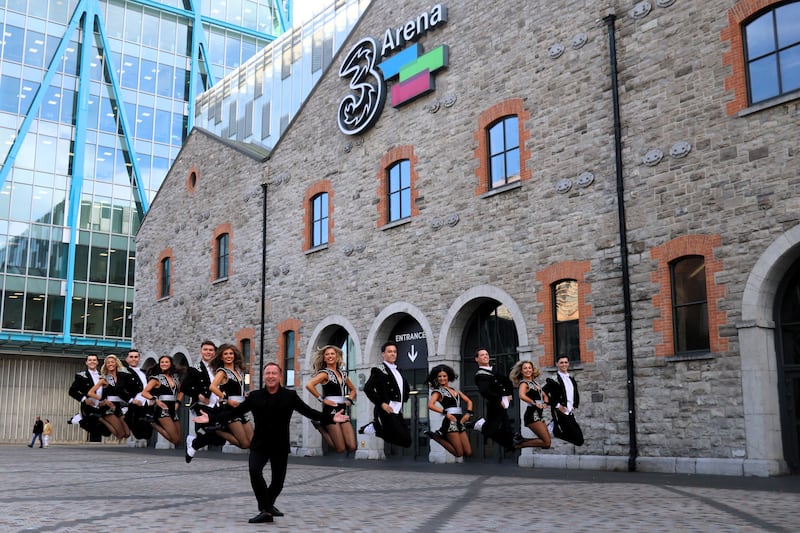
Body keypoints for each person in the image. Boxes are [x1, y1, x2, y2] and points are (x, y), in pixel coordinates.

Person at [195, 362, 349, 524]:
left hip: (280, 445)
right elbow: (235, 412)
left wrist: (331, 418)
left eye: (274, 373)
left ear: (280, 376)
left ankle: (267, 508)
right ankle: (266, 508)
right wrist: (211, 418)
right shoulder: (255, 397)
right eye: (267, 373)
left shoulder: (290, 396)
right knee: (254, 471)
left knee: (278, 482)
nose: (270, 376)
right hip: (259, 443)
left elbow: (309, 412)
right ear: (264, 376)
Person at [305, 345, 357, 454]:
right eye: (327, 354)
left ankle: (321, 426)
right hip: (330, 411)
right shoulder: (324, 373)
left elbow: (353, 390)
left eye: (332, 354)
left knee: (352, 446)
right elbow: (309, 385)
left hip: (342, 410)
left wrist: (350, 400)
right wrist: (322, 399)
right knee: (340, 449)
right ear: (324, 358)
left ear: (337, 356)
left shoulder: (343, 374)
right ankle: (321, 428)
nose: (330, 356)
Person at [359, 340, 412, 448]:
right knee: (402, 439)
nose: (393, 354)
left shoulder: (399, 370)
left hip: (397, 410)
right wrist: (382, 404)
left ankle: (376, 428)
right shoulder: (379, 370)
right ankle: (376, 428)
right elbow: (367, 388)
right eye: (389, 352)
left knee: (407, 441)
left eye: (394, 352)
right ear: (383, 354)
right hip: (385, 409)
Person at [181, 340, 226, 463]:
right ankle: (193, 443)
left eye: (211, 350)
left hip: (217, 406)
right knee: (209, 430)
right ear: (201, 351)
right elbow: (184, 387)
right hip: (202, 406)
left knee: (220, 439)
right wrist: (198, 395)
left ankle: (193, 442)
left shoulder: (219, 368)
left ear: (215, 352)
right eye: (205, 349)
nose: (208, 352)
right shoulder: (195, 369)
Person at [208, 344, 253, 450]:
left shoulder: (239, 371)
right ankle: (217, 431)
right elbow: (213, 387)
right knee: (245, 444)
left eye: (231, 353)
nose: (229, 356)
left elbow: (239, 388)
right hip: (230, 409)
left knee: (252, 441)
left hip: (241, 408)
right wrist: (226, 399)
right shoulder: (222, 372)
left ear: (235, 355)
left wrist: (245, 395)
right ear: (221, 357)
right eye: (225, 354)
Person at [424, 364, 474, 458]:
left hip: (460, 421)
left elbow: (469, 401)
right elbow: (430, 405)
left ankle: (438, 435)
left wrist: (468, 413)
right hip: (450, 421)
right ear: (436, 378)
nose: (442, 378)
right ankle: (436, 437)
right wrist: (445, 413)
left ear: (448, 376)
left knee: (468, 452)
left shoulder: (455, 390)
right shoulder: (437, 391)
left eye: (444, 376)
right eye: (439, 376)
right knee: (459, 453)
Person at [472, 348, 516, 452]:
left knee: (506, 428)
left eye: (486, 354)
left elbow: (507, 382)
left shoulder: (495, 370)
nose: (485, 356)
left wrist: (509, 395)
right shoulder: (480, 375)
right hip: (494, 404)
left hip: (504, 402)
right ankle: (479, 425)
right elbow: (485, 391)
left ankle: (509, 446)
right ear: (477, 359)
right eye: (482, 355)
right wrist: (499, 399)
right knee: (492, 429)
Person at [141, 355, 183, 446]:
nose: (164, 364)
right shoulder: (156, 378)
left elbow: (181, 391)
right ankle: (153, 423)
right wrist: (156, 400)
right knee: (175, 440)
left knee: (179, 440)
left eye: (166, 362)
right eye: (162, 362)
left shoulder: (175, 377)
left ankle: (152, 422)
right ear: (159, 364)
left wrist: (178, 402)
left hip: (173, 408)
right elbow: (144, 392)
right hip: (162, 409)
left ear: (171, 364)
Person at [87, 354, 132, 440]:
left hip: (119, 406)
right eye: (108, 363)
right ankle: (101, 419)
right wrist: (103, 400)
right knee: (121, 435)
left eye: (112, 362)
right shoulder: (104, 379)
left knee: (127, 434)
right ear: (106, 365)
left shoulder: (121, 377)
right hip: (108, 407)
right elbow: (90, 392)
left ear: (116, 363)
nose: (110, 364)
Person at [542, 355, 584, 446]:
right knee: (578, 439)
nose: (564, 364)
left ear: (568, 364)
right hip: (560, 411)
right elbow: (543, 392)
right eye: (561, 362)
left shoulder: (571, 378)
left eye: (565, 362)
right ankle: (555, 428)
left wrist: (575, 405)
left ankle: (554, 429)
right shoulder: (553, 379)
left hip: (569, 411)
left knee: (580, 440)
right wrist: (557, 405)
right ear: (557, 364)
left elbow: (575, 393)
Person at [509, 360, 551, 449]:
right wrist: (534, 403)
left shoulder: (535, 383)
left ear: (532, 370)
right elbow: (521, 395)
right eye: (525, 368)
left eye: (529, 368)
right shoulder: (524, 383)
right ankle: (517, 444)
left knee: (546, 443)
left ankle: (520, 440)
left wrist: (545, 403)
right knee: (546, 443)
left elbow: (545, 396)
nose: (527, 370)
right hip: (532, 415)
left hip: (539, 414)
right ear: (521, 371)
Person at [67, 354, 110, 440]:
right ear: (86, 362)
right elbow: (72, 391)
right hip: (89, 407)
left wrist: (104, 400)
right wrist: (84, 399)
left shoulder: (104, 376)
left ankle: (79, 419)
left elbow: (108, 391)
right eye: (90, 360)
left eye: (94, 360)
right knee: (95, 428)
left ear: (97, 362)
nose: (92, 362)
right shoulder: (81, 376)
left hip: (101, 407)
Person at [120, 349, 154, 442]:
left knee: (147, 434)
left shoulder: (144, 372)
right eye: (131, 357)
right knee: (139, 433)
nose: (133, 359)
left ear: (139, 359)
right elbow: (119, 390)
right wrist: (131, 400)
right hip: (135, 405)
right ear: (127, 359)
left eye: (136, 357)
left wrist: (152, 398)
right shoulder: (123, 373)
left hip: (147, 405)